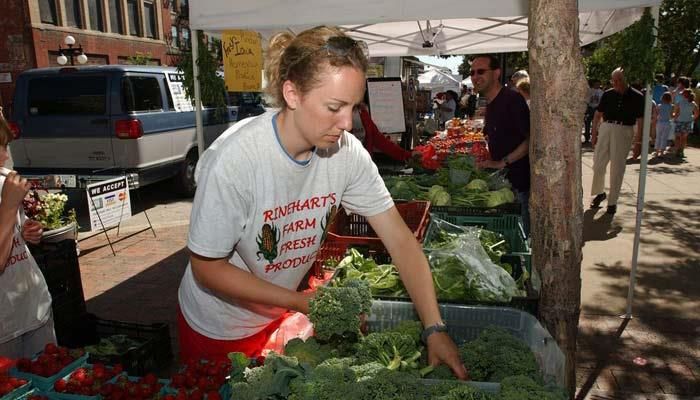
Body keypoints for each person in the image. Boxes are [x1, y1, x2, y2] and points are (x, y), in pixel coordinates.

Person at [176, 25, 467, 379]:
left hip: (278, 311)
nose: (347, 123)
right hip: (217, 327)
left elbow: (402, 242)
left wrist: (433, 328)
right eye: (334, 107)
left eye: (353, 107)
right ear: (293, 93)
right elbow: (208, 268)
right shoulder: (235, 160)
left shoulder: (346, 154)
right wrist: (299, 303)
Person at [0, 112, 55, 358]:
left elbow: (10, 233)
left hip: (34, 308)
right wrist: (9, 207)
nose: (4, 156)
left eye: (5, 145)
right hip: (4, 329)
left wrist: (25, 232)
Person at [470, 54, 531, 235]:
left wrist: (502, 162)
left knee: (520, 236)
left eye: (481, 71)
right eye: (472, 72)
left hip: (518, 185)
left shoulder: (512, 100)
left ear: (496, 73)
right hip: (503, 183)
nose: (475, 77)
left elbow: (530, 140)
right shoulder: (491, 103)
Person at [589, 68, 645, 215]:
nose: (616, 83)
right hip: (606, 127)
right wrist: (593, 134)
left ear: (626, 79)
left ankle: (612, 202)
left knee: (617, 168)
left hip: (624, 130)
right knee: (598, 164)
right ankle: (599, 193)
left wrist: (638, 143)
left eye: (619, 79)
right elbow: (597, 114)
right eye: (613, 80)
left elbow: (640, 121)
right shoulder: (608, 94)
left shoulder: (637, 96)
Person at [671, 89, 699, 158]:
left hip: (679, 121)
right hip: (688, 122)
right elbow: (697, 113)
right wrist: (692, 118)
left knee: (677, 137)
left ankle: (677, 151)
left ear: (684, 95)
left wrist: (674, 118)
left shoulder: (679, 102)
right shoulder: (693, 103)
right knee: (684, 138)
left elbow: (676, 112)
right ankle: (681, 151)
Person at [653, 92, 673, 157]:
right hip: (667, 122)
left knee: (658, 137)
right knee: (664, 138)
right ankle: (662, 152)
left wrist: (654, 121)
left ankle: (656, 151)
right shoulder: (671, 106)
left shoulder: (659, 106)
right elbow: (671, 115)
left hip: (660, 122)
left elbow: (656, 115)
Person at [583, 79, 603, 144]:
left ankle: (595, 138)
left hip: (597, 109)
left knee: (596, 124)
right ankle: (587, 138)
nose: (597, 85)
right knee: (587, 123)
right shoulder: (589, 91)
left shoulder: (601, 92)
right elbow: (586, 100)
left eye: (598, 84)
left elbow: (602, 102)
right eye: (596, 84)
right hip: (590, 108)